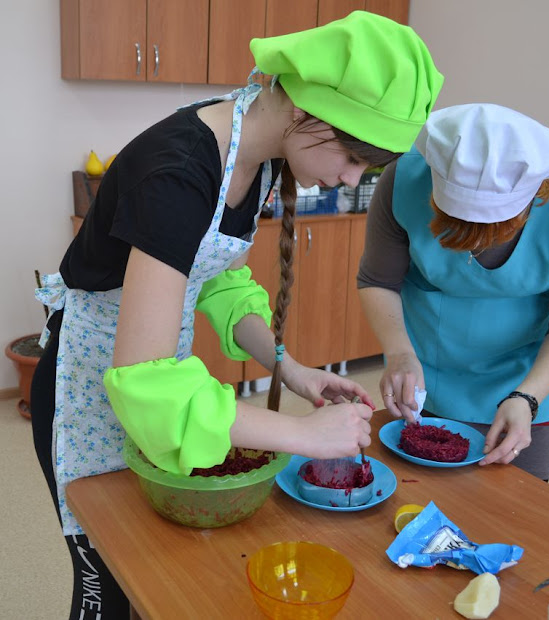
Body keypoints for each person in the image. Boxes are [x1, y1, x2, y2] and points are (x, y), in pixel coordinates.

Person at [30, 11, 443, 619]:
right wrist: (302, 435)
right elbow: (146, 381)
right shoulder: (177, 174)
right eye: (354, 155)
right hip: (92, 390)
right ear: (307, 107)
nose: (350, 178)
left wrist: (290, 370)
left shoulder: (259, 155)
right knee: (107, 586)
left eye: (370, 168)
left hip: (162, 395)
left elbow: (219, 279)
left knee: (153, 578)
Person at [358, 103, 549, 481]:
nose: (476, 247)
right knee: (421, 496)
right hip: (427, 373)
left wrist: (527, 397)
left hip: (532, 377)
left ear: (537, 195)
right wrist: (399, 353)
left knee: (512, 504)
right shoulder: (405, 176)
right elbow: (378, 280)